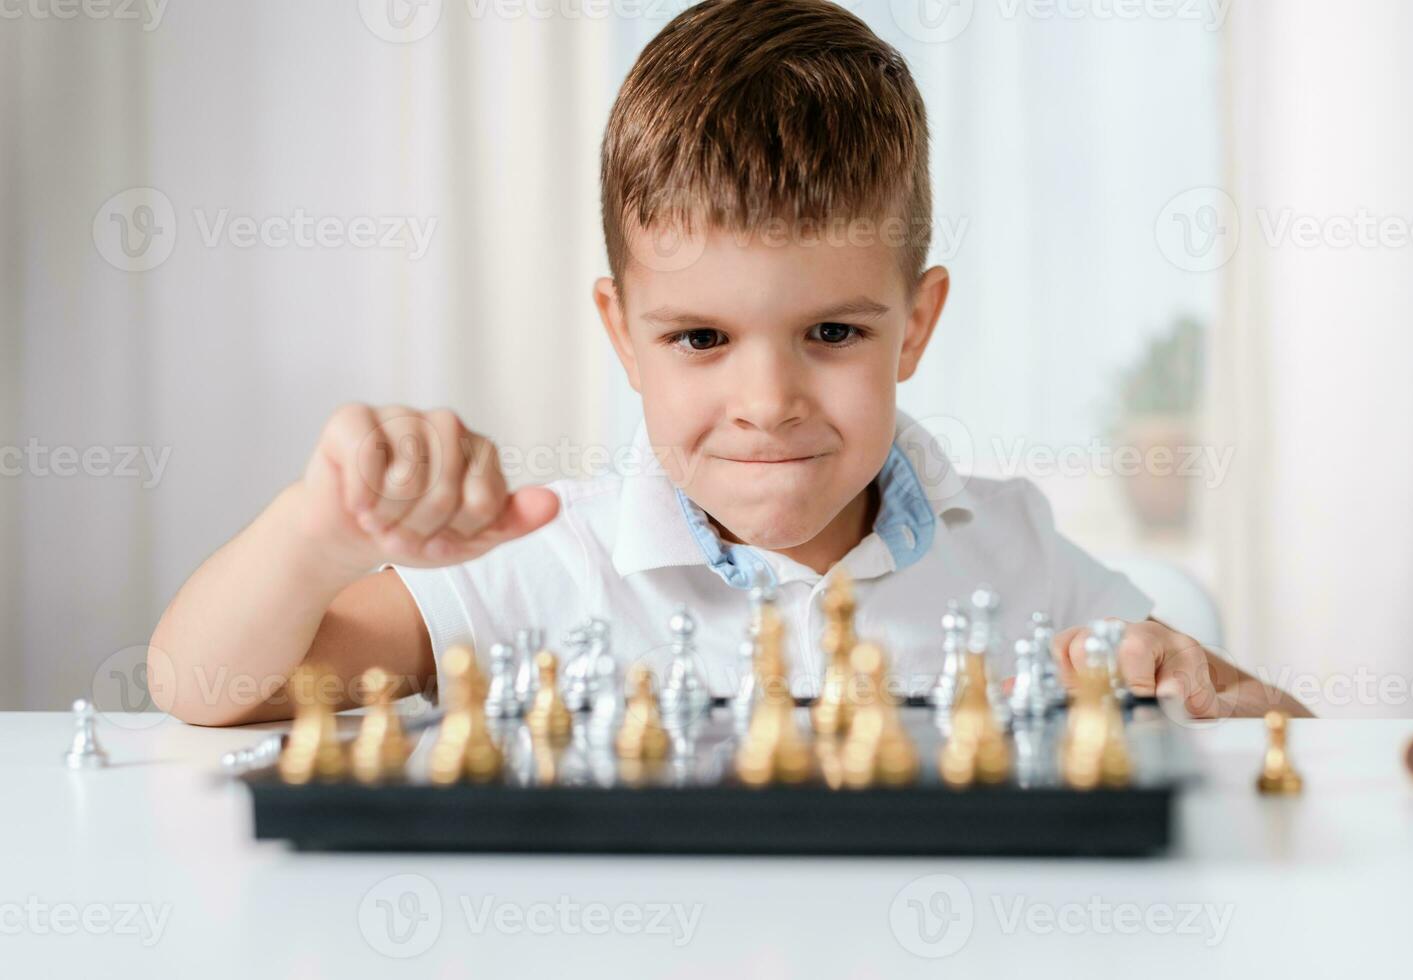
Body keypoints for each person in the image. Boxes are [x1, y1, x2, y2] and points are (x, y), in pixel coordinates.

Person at [149, 0, 1305, 726]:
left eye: (834, 333)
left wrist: (1200, 687)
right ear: (622, 333)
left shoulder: (1010, 546)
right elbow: (203, 691)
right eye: (701, 338)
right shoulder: (550, 559)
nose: (766, 402)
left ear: (914, 324)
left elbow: (1284, 720)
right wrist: (316, 533)